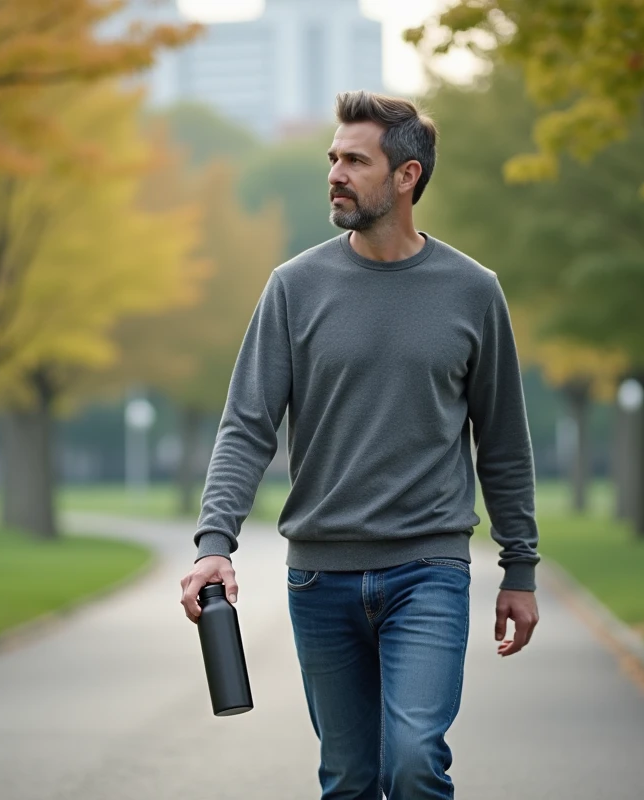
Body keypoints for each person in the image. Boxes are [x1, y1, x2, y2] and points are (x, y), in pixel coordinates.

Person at [179, 90, 541, 800]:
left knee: (413, 761)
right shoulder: (294, 288)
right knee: (349, 780)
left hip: (427, 569)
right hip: (321, 579)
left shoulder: (473, 291)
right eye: (332, 158)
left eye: (354, 159)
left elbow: (502, 442)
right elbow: (246, 425)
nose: (335, 174)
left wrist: (520, 568)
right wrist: (213, 542)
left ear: (407, 176)